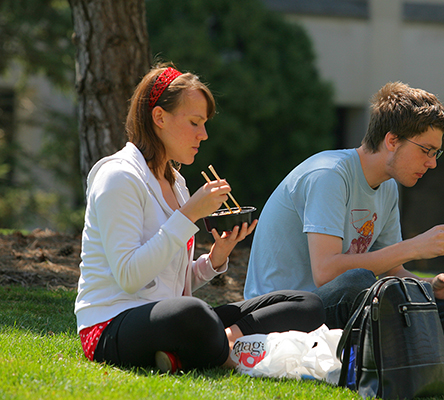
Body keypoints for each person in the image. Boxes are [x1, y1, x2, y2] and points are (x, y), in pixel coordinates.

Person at [74, 64, 325, 373]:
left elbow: (167, 281)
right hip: (112, 324)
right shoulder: (119, 176)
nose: (203, 135)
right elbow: (130, 277)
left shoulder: (176, 182)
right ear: (159, 117)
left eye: (204, 124)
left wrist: (214, 259)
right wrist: (189, 214)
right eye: (195, 122)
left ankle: (215, 343)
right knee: (192, 311)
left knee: (306, 303)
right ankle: (222, 355)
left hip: (169, 317)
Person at [244, 82, 444, 366]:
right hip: (283, 315)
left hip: (336, 308)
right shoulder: (329, 175)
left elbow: (393, 270)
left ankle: (388, 349)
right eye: (426, 150)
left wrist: (432, 286)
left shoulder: (388, 187)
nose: (432, 163)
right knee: (358, 281)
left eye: (435, 153)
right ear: (392, 140)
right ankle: (403, 349)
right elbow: (326, 272)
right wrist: (415, 247)